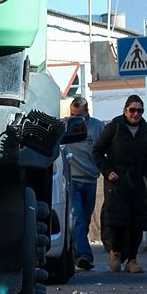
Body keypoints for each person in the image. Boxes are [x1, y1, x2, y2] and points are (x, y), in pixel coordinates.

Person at [92, 94, 147, 274]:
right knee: (116, 220)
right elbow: (97, 151)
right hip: (117, 180)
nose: (136, 114)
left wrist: (146, 176)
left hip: (137, 181)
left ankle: (132, 259)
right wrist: (107, 171)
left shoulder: (146, 131)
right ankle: (115, 252)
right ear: (125, 110)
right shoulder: (115, 127)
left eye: (139, 111)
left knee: (137, 221)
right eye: (132, 110)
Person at [58, 96, 100, 271]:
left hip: (90, 179)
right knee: (77, 218)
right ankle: (84, 256)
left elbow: (104, 148)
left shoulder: (98, 127)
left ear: (87, 112)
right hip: (72, 180)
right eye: (73, 114)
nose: (76, 119)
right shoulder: (65, 125)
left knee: (85, 219)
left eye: (79, 115)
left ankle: (74, 254)